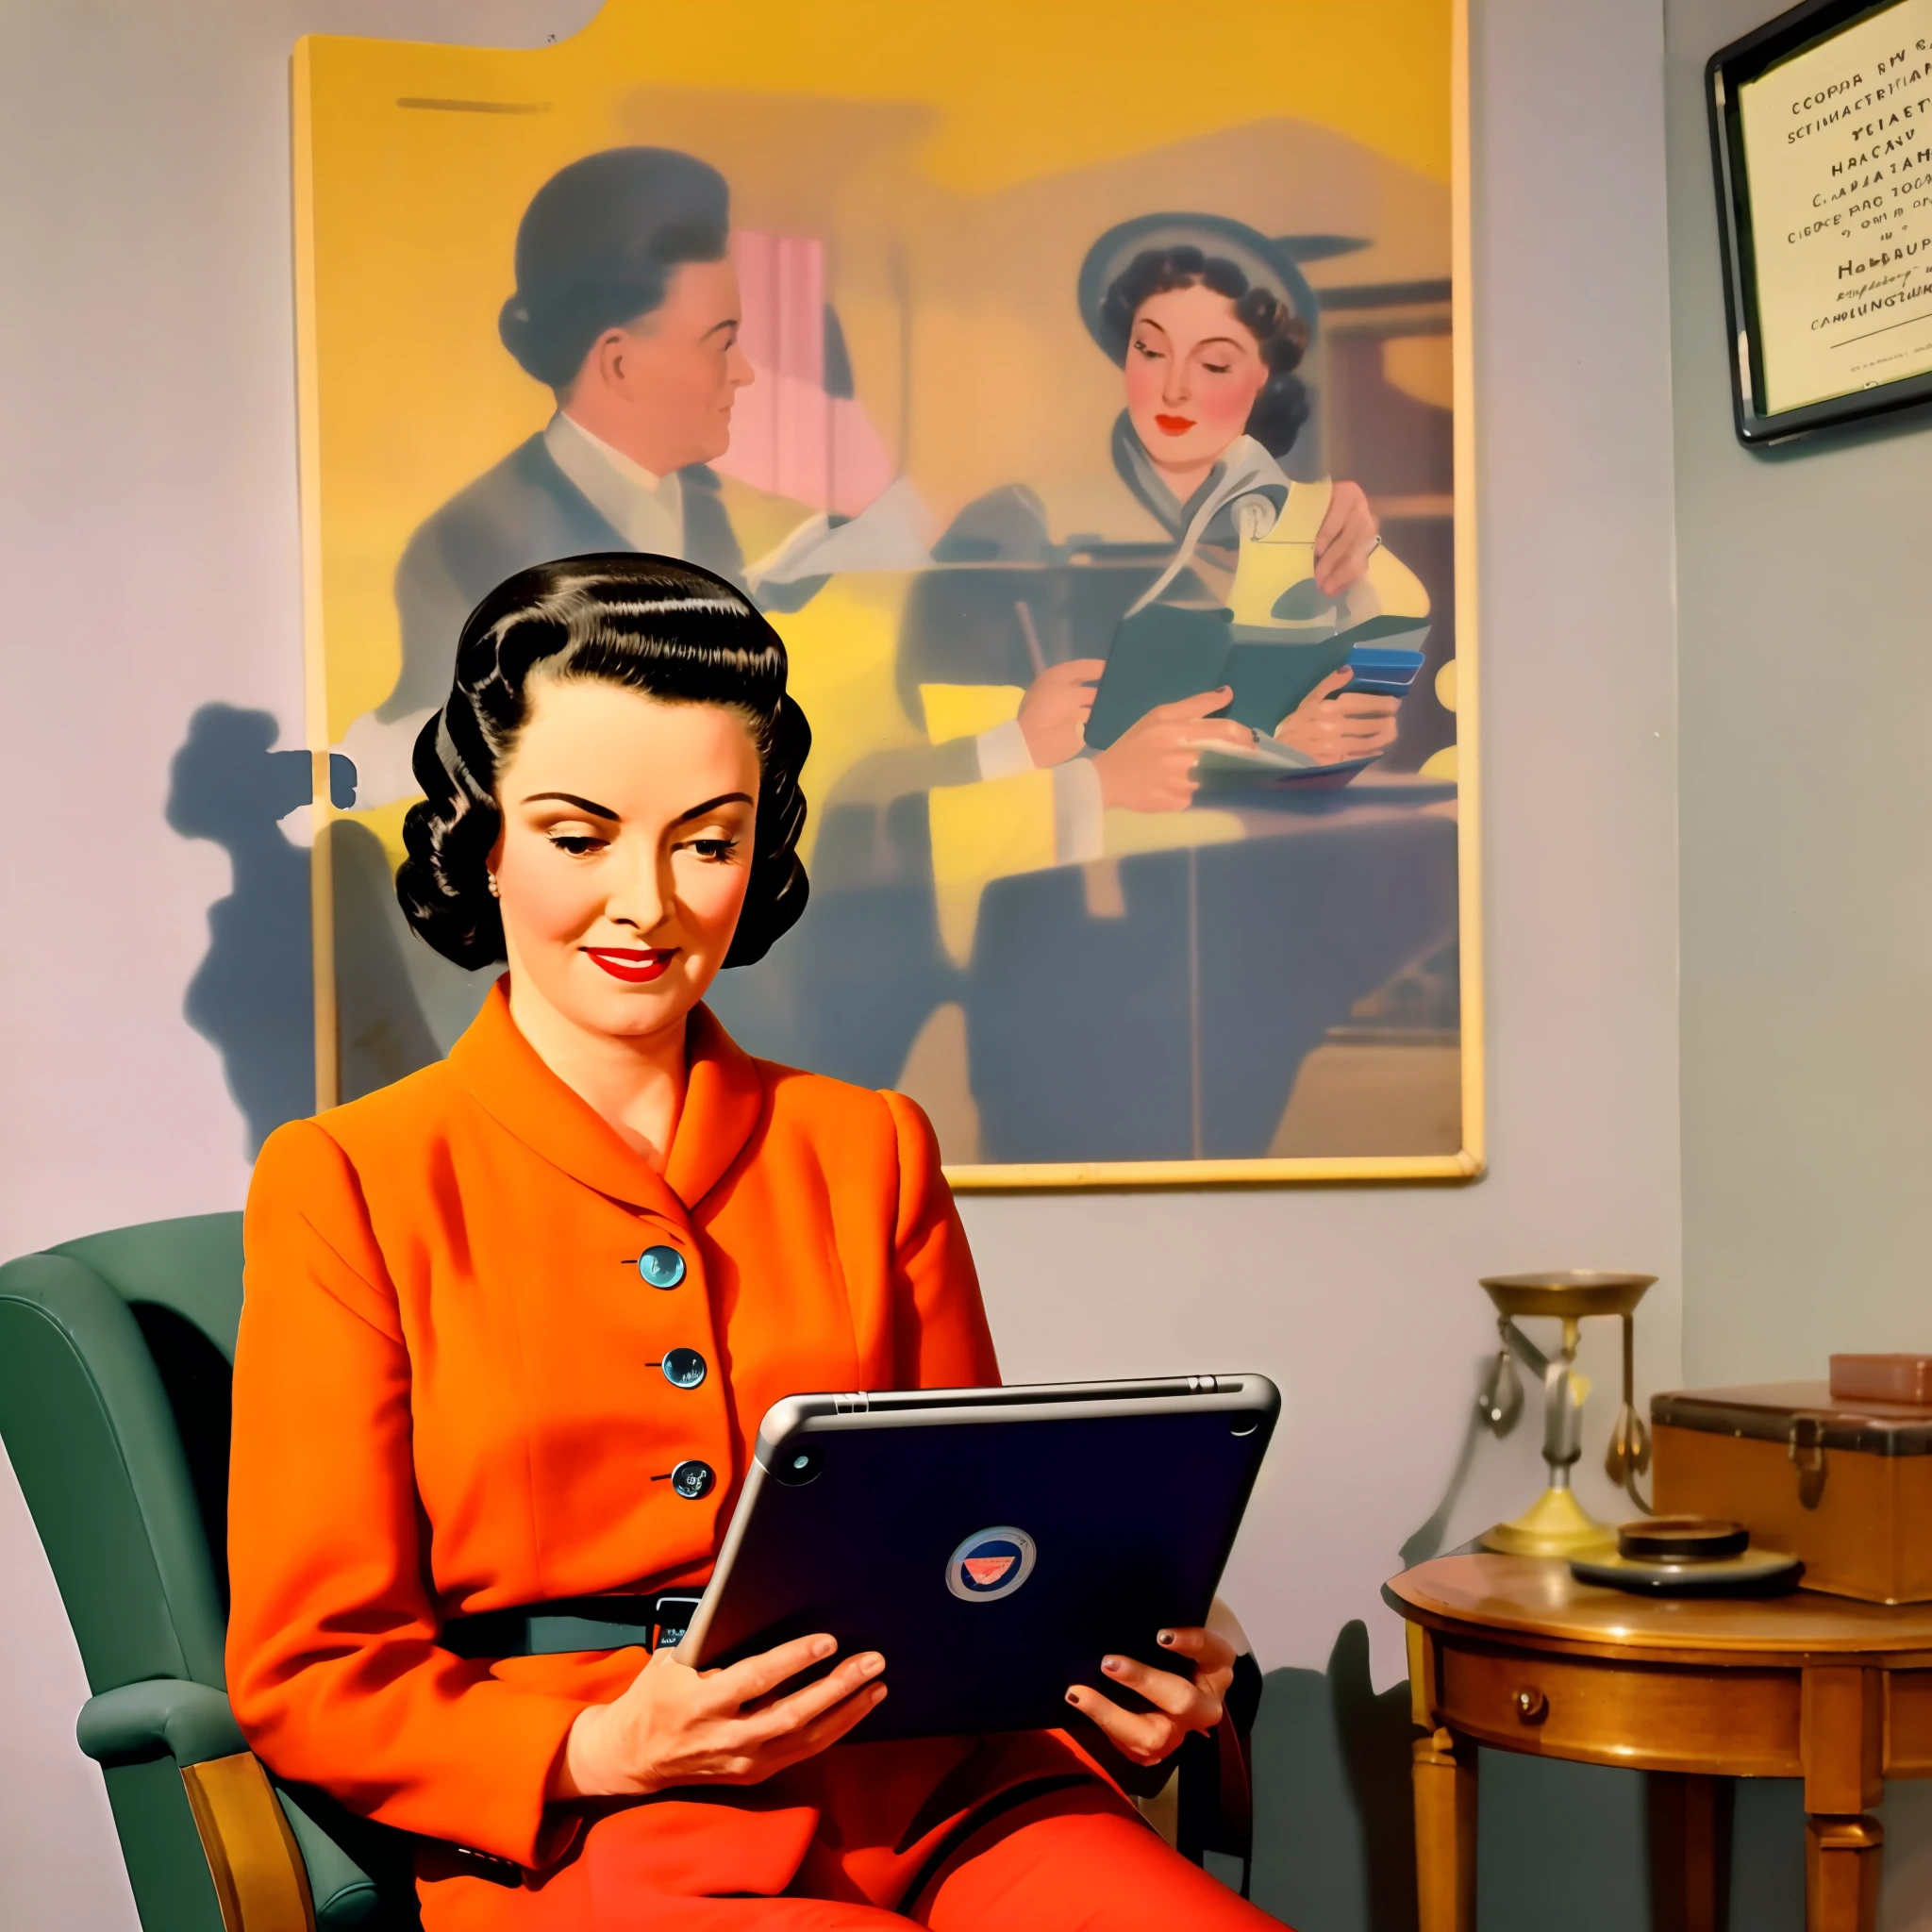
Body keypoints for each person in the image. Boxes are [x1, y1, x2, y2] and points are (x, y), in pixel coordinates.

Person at [226, 554, 1284, 1930]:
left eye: (707, 841)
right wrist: (602, 1748)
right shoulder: (347, 1180)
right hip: (591, 1832)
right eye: (576, 834)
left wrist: (1127, 1680)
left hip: (943, 1791)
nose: (648, 902)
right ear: (486, 838)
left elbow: (981, 1551)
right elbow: (312, 1669)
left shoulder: (872, 1145)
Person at [341, 147, 755, 808]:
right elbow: (437, 771)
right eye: (721, 343)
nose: (745, 373)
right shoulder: (471, 544)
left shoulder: (701, 504)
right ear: (619, 364)